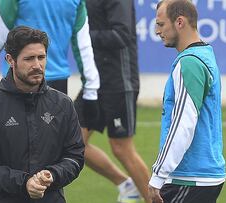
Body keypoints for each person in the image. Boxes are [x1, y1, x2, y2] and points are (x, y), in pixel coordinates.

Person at [0, 26, 84, 203]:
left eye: (41, 57)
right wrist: (24, 183)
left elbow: (75, 157)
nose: (37, 65)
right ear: (10, 60)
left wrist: (52, 175)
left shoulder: (62, 104)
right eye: (29, 59)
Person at [0, 0, 100, 125]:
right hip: (57, 84)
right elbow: (83, 45)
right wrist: (91, 90)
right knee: (55, 142)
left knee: (11, 141)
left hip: (19, 80)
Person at [149, 1, 226, 203]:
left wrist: (158, 176)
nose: (157, 31)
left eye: (161, 24)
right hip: (203, 175)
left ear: (180, 22)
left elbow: (183, 125)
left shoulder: (189, 63)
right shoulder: (205, 54)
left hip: (190, 177)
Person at [74, 0, 151, 202]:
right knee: (72, 141)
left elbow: (122, 35)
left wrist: (83, 35)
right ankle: (126, 185)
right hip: (94, 81)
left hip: (119, 81)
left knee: (121, 148)